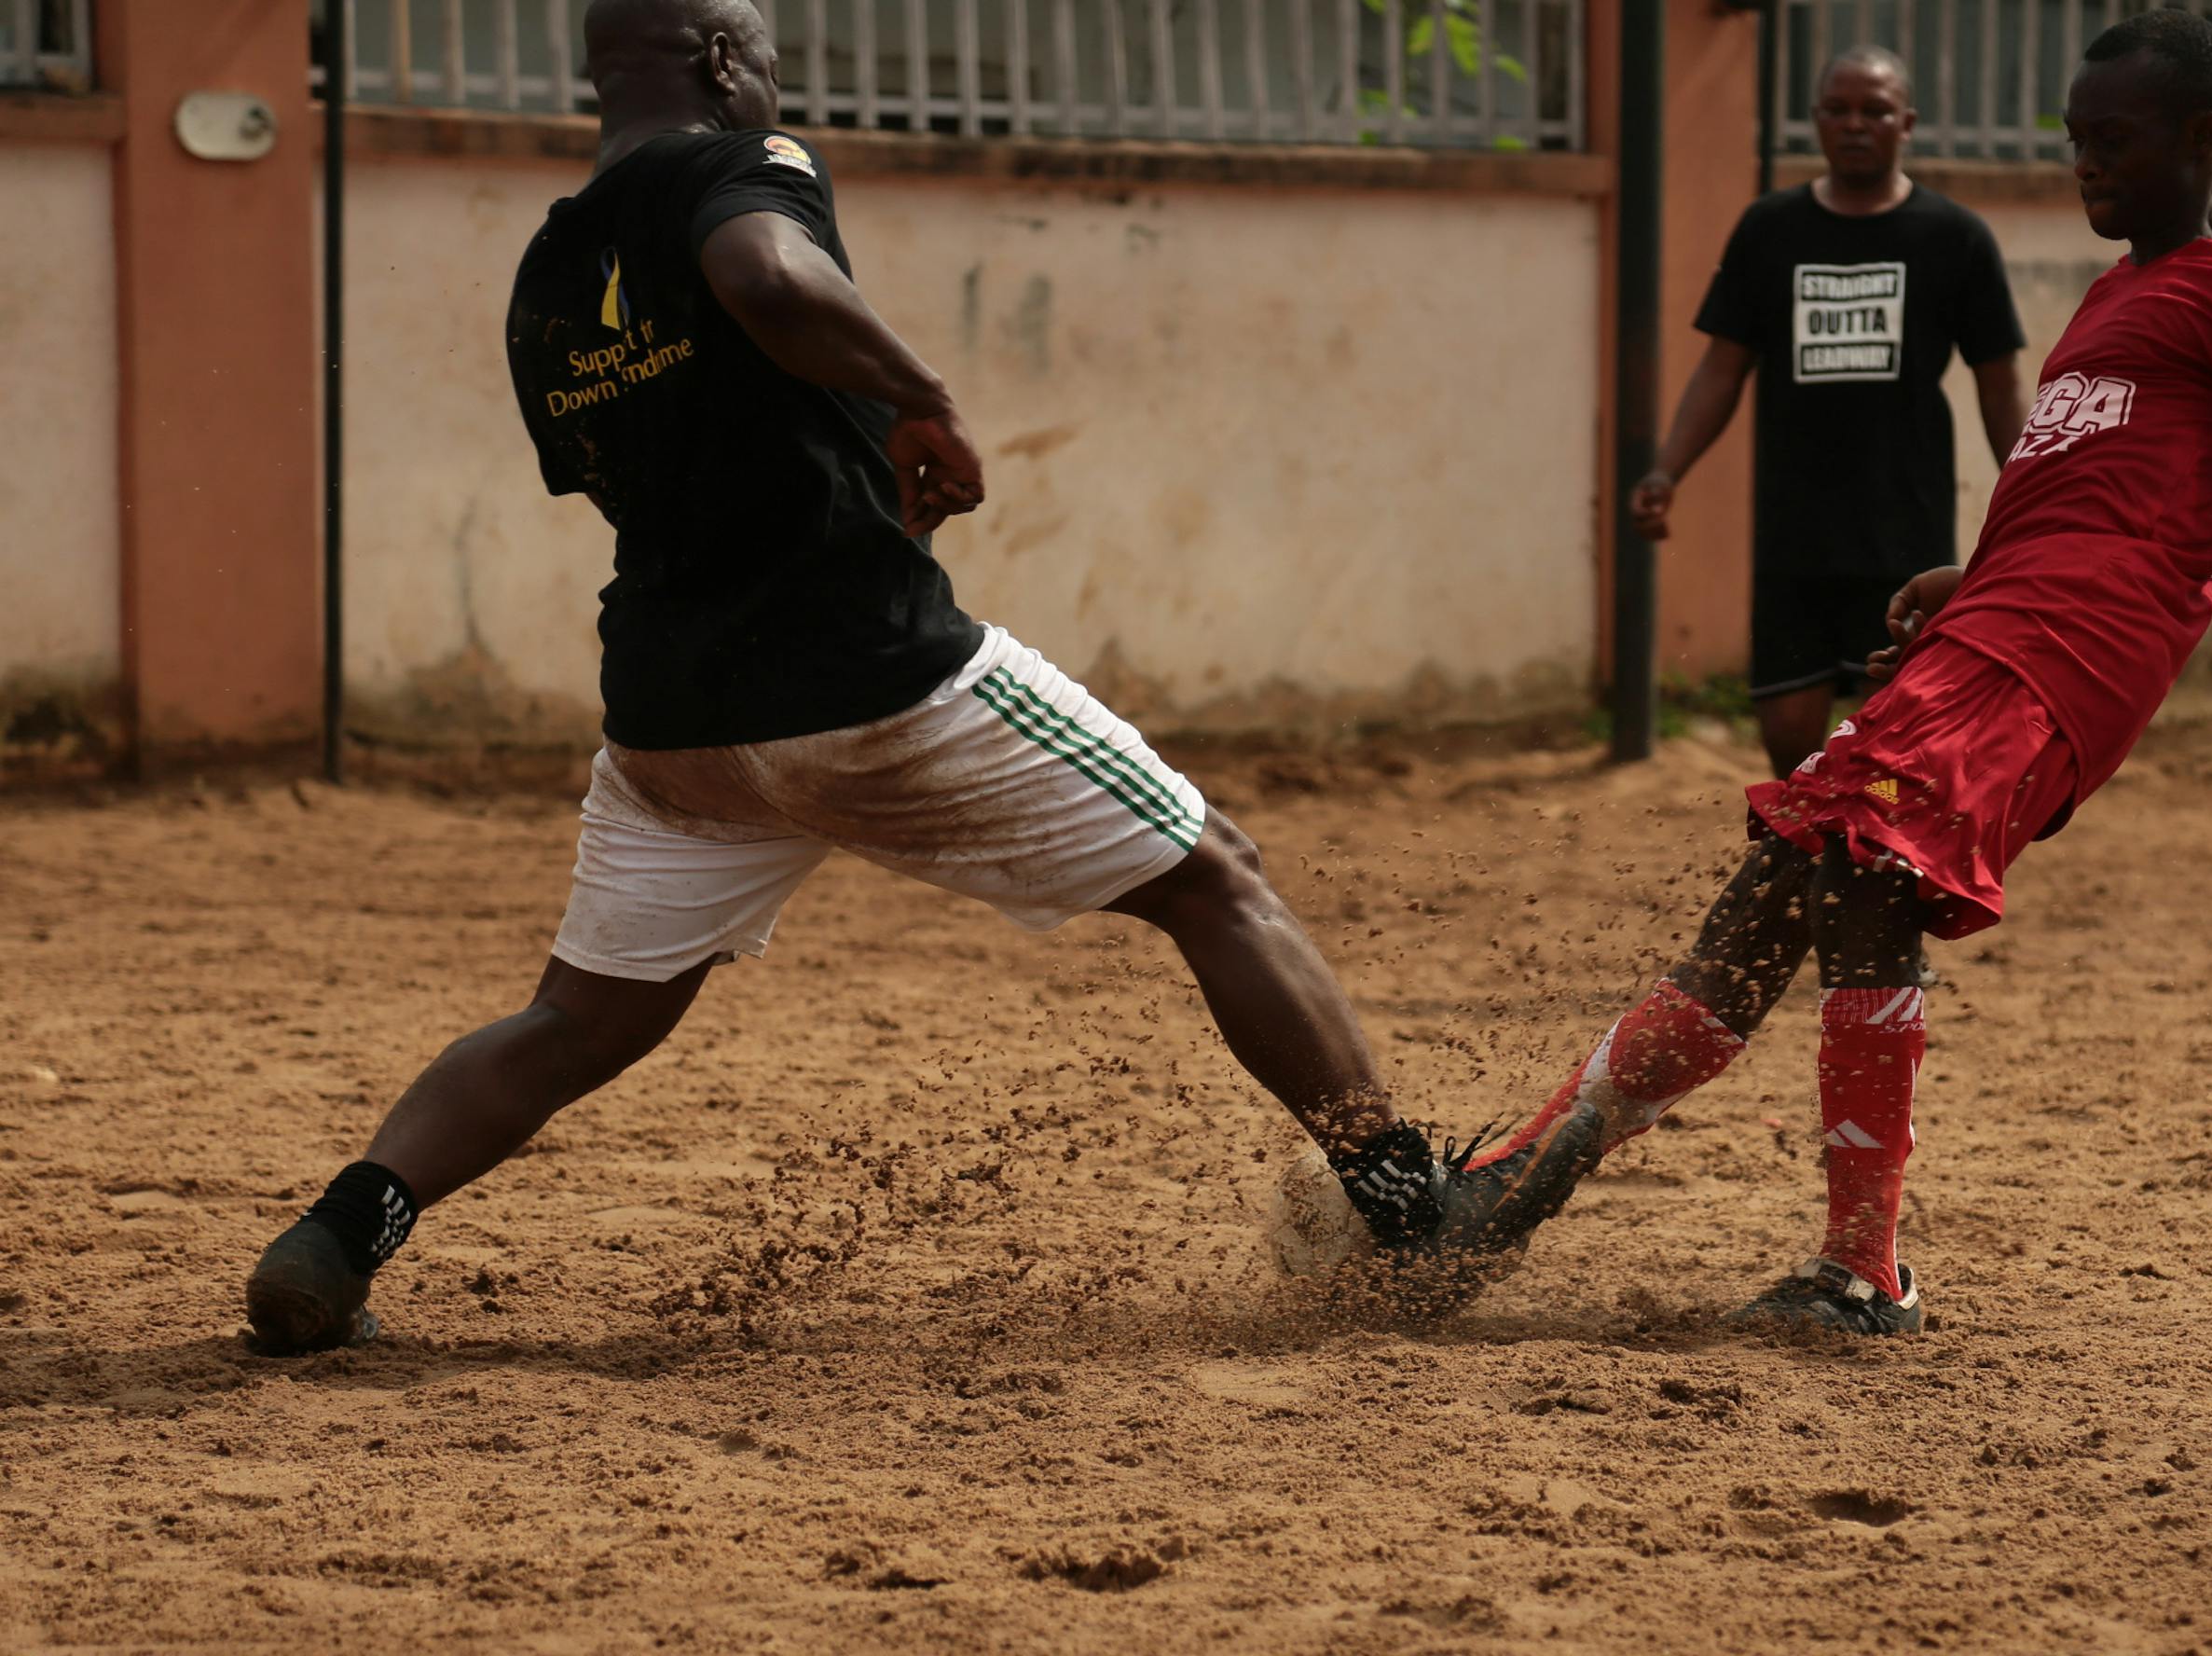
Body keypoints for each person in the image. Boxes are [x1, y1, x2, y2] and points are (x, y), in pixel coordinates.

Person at [239, 0, 1596, 1356]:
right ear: (724, 60)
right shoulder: (744, 165)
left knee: (571, 1023)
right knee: (1214, 879)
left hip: (673, 714)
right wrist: (920, 394)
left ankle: (341, 1235)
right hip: (868, 677)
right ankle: (1413, 1211)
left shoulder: (551, 264)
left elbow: (650, 462)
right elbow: (768, 281)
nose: (776, 78)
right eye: (764, 52)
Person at [1475, 8, 2212, 1334]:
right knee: (1775, 887)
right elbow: (2139, 504)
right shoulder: (2118, 292)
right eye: (2075, 139)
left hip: (2057, 663)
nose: (2084, 164)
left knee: (1867, 874)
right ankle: (1512, 1181)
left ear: (2204, 138)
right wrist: (1970, 576)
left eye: (2114, 142)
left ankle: (1861, 1271)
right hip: (1989, 630)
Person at [1630, 45, 2030, 780]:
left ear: (1906, 122)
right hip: (1794, 530)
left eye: (1874, 110)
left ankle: (1871, 880)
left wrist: (2034, 497)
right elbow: (1723, 366)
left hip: (1904, 528)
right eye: (1838, 109)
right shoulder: (1769, 230)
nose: (1855, 124)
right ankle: (1810, 871)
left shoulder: (1954, 238)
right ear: (1814, 121)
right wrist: (1667, 468)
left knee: (1893, 734)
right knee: (1789, 739)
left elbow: (1999, 383)